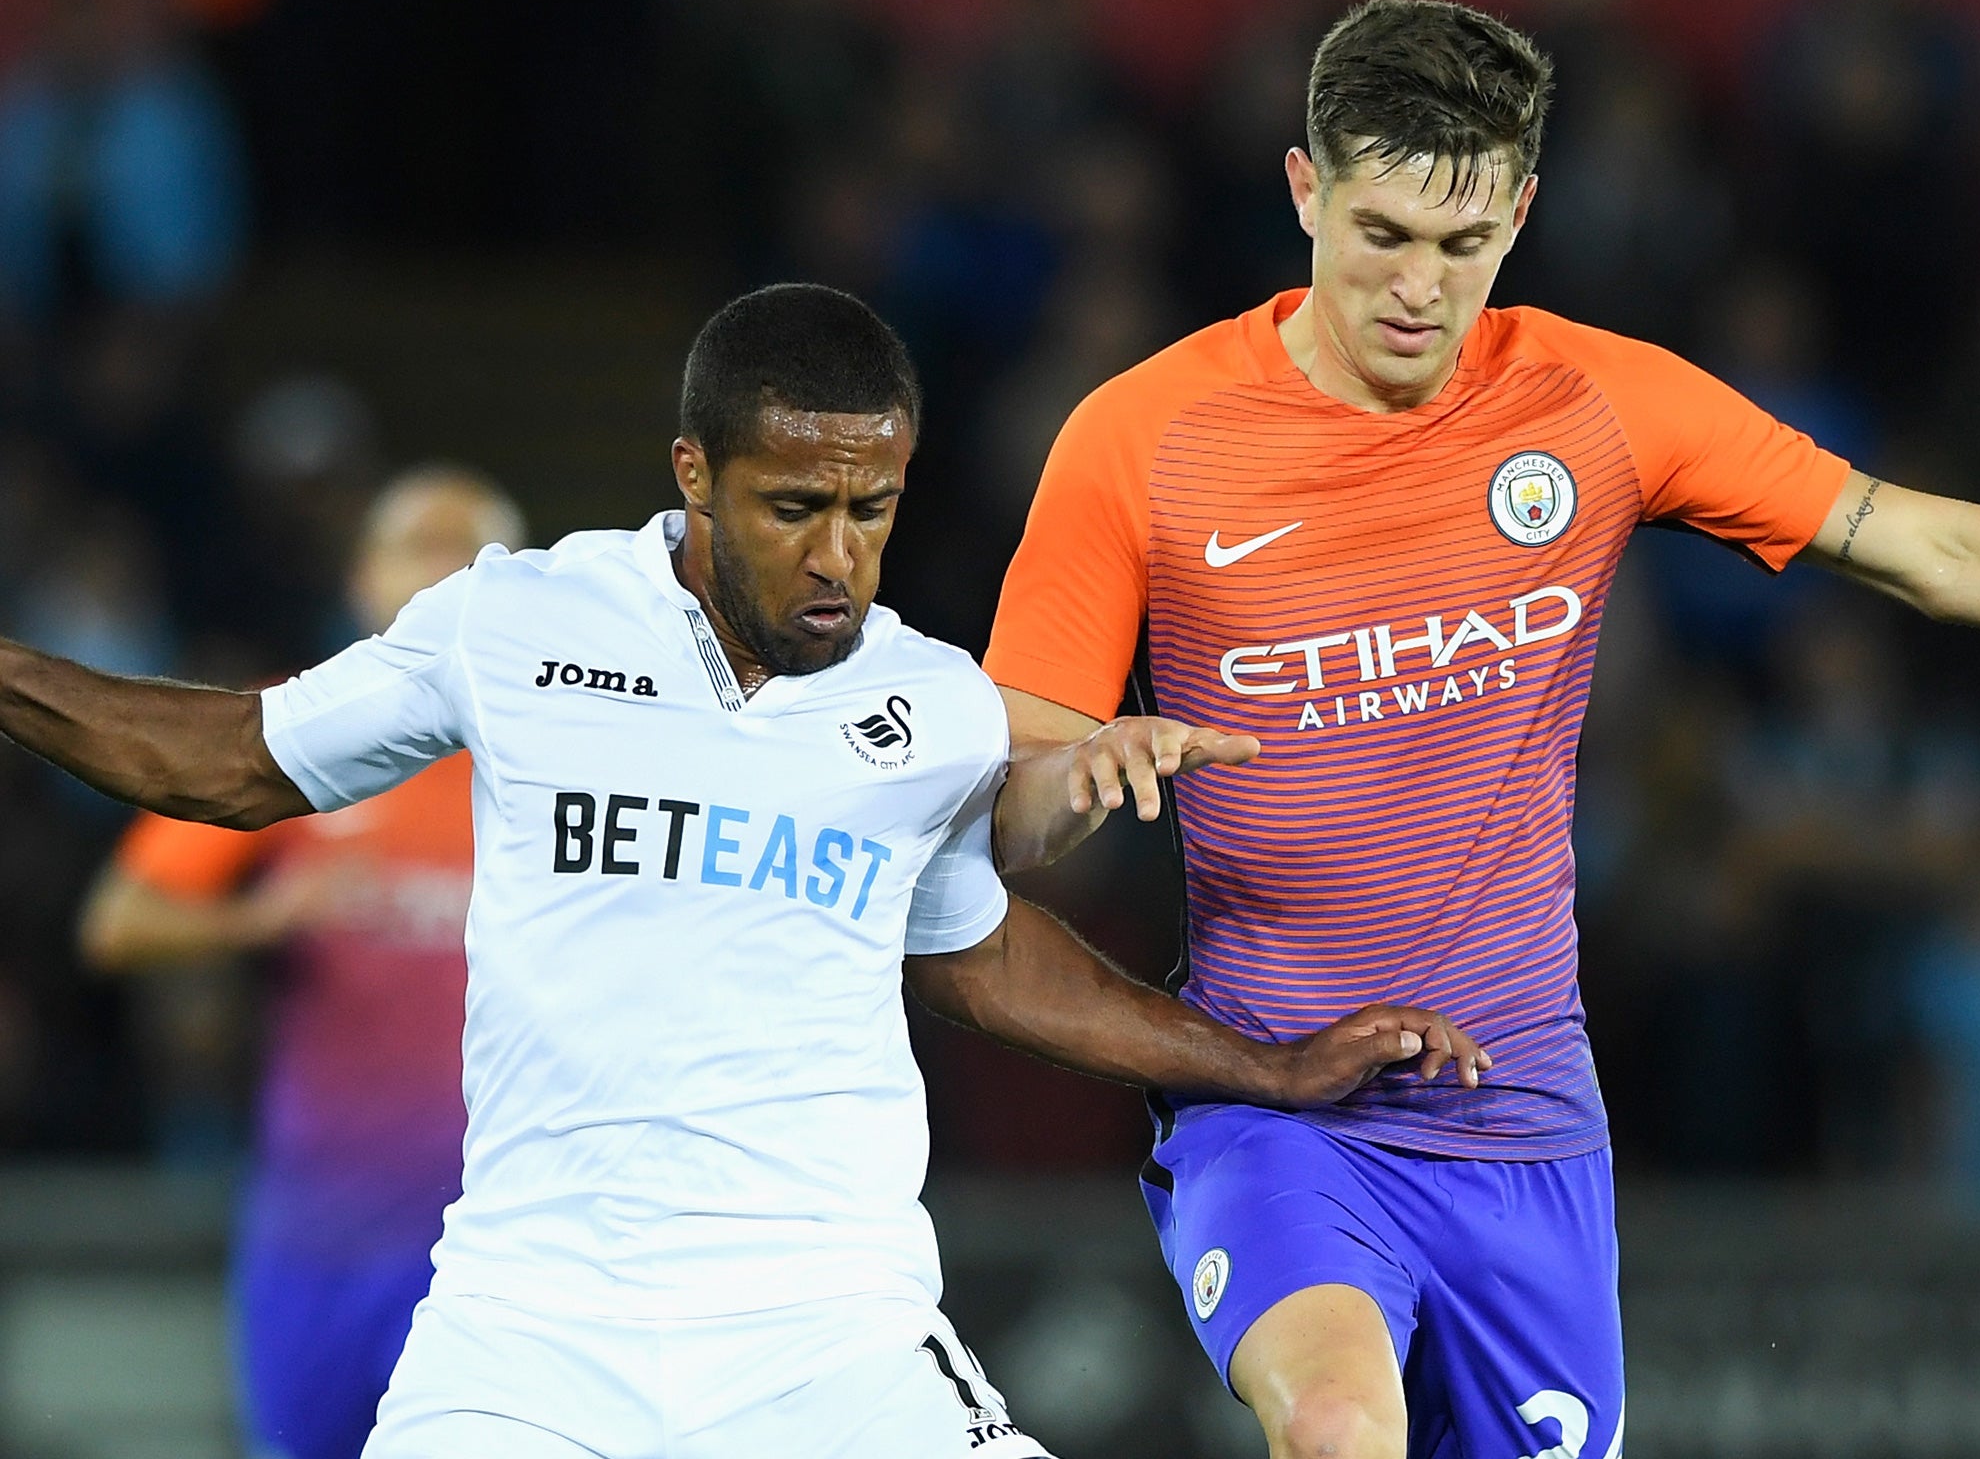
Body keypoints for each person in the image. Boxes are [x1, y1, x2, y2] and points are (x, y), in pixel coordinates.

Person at [0, 282, 1484, 1459]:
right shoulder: (512, 623)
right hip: (532, 1328)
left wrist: (1263, 1067)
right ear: (695, 475)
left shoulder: (930, 705)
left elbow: (978, 955)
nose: (839, 558)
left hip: (827, 1329)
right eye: (794, 509)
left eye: (874, 510)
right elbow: (227, 761)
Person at [982, 0, 1980, 1459]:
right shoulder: (1140, 438)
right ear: (1305, 188)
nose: (1420, 288)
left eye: (1464, 245)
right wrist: (1078, 781)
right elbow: (1002, 817)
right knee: (1340, 1425)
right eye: (1383, 235)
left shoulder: (1596, 401)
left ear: (1523, 215)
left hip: (1520, 1117)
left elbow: (1918, 544)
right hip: (1275, 1099)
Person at [77, 467, 526, 1459]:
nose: (438, 572)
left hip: (501, 1250)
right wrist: (260, 922)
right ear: (363, 577)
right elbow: (121, 921)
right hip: (317, 1236)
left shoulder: (564, 763)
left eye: (467, 552)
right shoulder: (293, 731)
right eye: (415, 545)